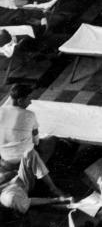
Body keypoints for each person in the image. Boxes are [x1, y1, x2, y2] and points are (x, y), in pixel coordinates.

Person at [0, 83, 68, 214]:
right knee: (47, 143)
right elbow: (36, 138)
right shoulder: (28, 115)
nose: (30, 102)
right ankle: (52, 187)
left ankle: (52, 187)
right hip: (19, 164)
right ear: (20, 100)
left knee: (30, 151)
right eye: (28, 99)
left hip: (6, 161)